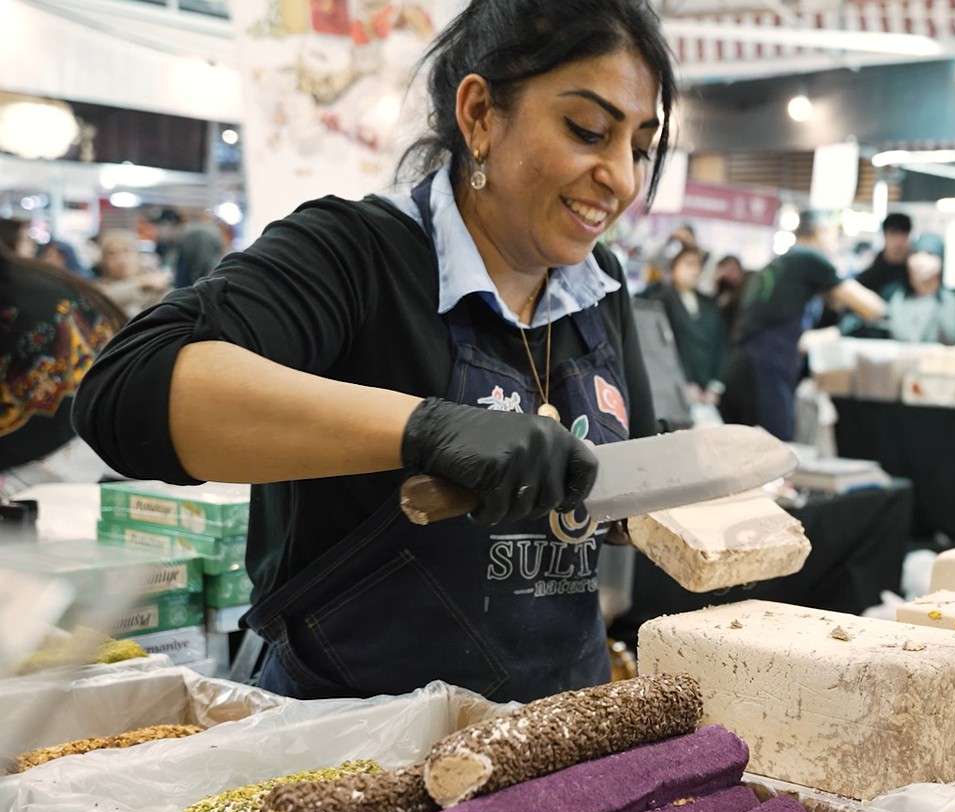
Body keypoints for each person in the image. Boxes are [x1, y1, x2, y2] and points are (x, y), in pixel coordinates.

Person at [73, 0, 676, 703]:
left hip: (561, 721)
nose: (623, 179)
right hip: (352, 737)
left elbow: (617, 495)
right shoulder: (354, 255)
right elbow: (127, 391)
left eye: (639, 148)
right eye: (589, 131)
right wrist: (425, 430)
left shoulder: (600, 289)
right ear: (480, 114)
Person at [719, 210, 886, 440]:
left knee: (745, 450)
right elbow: (872, 308)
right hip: (767, 369)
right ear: (820, 232)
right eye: (835, 235)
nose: (836, 244)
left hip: (740, 367)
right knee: (775, 452)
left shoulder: (781, 263)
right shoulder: (809, 258)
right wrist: (842, 329)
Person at [1, 252, 125, 497]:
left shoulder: (28, 306)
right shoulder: (29, 280)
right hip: (83, 441)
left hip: (70, 455)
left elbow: (37, 431)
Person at [650, 246, 727, 404]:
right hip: (671, 388)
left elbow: (720, 344)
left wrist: (715, 386)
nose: (695, 270)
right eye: (689, 264)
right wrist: (681, 382)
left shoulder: (709, 303)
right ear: (674, 267)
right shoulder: (660, 300)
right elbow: (657, 349)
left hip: (706, 391)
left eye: (698, 265)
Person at [881, 233, 955, 345]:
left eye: (929, 254)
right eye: (916, 253)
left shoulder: (949, 300)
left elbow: (952, 336)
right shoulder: (896, 296)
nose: (921, 260)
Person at [91, 230, 169, 315]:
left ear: (137, 255)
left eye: (126, 251)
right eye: (112, 254)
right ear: (104, 261)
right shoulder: (98, 288)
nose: (121, 260)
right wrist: (140, 283)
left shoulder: (156, 283)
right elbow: (103, 299)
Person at [855, 212, 912, 297]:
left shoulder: (914, 271)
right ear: (885, 236)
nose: (899, 241)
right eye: (894, 234)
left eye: (903, 235)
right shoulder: (871, 275)